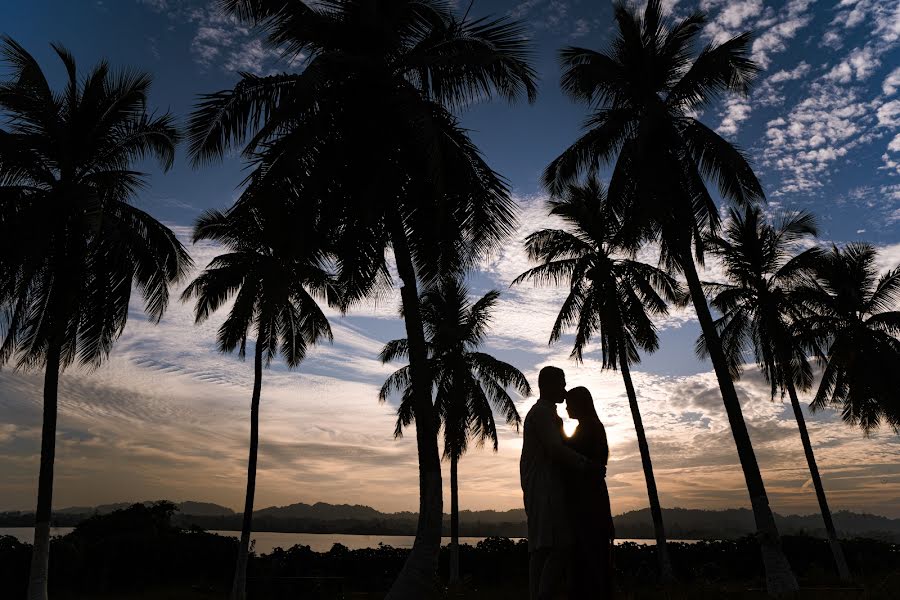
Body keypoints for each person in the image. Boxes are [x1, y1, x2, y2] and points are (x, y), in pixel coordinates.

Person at [520, 366, 598, 600]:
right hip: (544, 485)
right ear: (548, 385)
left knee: (541, 547)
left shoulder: (547, 414)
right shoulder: (542, 414)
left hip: (543, 484)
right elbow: (555, 449)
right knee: (559, 544)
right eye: (561, 384)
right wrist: (585, 464)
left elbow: (561, 446)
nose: (564, 390)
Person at [564, 386, 615, 599]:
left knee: (588, 558)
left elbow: (571, 456)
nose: (566, 407)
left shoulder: (588, 428)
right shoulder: (592, 426)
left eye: (570, 403)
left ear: (580, 404)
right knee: (593, 559)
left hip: (588, 503)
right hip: (593, 500)